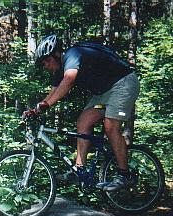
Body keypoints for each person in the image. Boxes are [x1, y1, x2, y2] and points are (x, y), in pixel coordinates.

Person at [23, 34, 140, 191]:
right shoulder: (60, 69)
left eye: (47, 61)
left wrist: (47, 105)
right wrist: (36, 110)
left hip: (123, 84)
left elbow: (69, 80)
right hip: (104, 92)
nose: (46, 66)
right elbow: (53, 92)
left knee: (111, 127)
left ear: (57, 55)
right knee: (83, 122)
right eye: (43, 64)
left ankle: (125, 176)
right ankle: (79, 169)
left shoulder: (72, 55)